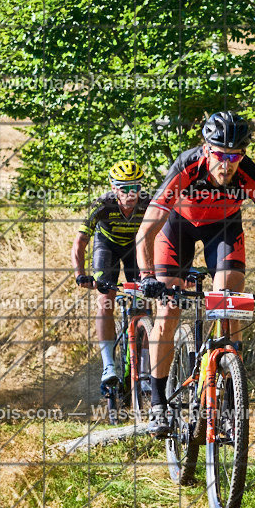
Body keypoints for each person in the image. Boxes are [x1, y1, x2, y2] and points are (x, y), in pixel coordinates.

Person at [135, 111, 255, 436]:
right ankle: (158, 403)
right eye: (220, 155)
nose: (227, 164)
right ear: (206, 149)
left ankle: (229, 399)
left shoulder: (249, 174)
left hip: (224, 230)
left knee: (229, 305)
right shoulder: (187, 166)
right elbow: (146, 231)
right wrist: (147, 277)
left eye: (235, 156)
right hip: (177, 228)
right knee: (168, 309)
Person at [71, 160, 150, 392]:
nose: (130, 194)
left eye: (135, 187)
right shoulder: (102, 205)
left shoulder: (148, 204)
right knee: (105, 300)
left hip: (136, 248)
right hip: (107, 248)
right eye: (124, 188)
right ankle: (108, 366)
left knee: (144, 303)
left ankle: (145, 370)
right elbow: (80, 242)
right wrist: (80, 274)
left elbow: (165, 235)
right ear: (114, 188)